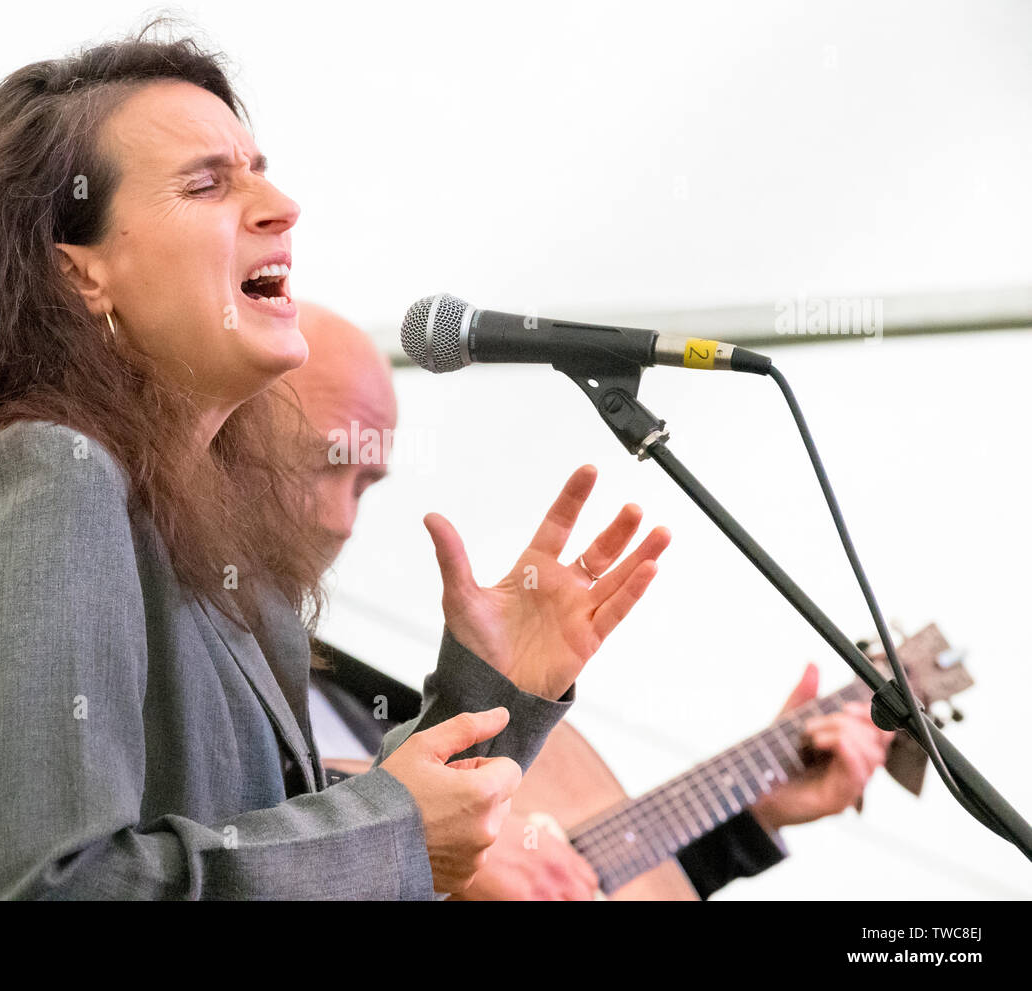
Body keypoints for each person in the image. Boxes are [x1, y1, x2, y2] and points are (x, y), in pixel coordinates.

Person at [0, 31, 670, 900]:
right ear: (81, 273)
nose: (281, 205)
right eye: (207, 183)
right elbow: (47, 888)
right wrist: (398, 831)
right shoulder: (56, 474)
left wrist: (492, 690)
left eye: (260, 170)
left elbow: (290, 837)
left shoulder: (222, 535)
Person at [282, 301, 895, 900]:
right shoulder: (201, 687)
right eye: (322, 465)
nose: (343, 521)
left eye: (365, 484)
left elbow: (566, 874)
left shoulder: (343, 702)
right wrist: (419, 845)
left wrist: (751, 819)